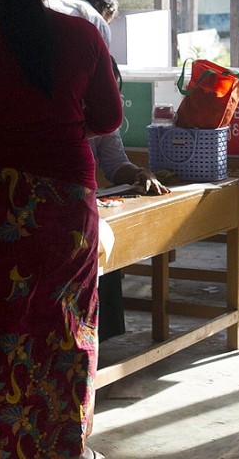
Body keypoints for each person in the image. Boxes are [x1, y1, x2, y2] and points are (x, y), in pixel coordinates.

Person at [0, 0, 122, 459]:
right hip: (69, 202)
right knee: (67, 323)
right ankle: (65, 444)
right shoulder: (83, 34)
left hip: (0, 204)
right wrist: (63, 124)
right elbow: (109, 119)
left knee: (0, 323)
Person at [94, 57, 169, 340]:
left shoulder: (103, 115)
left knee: (106, 240)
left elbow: (114, 163)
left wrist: (138, 173)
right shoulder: (59, 109)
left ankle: (103, 340)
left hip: (83, 202)